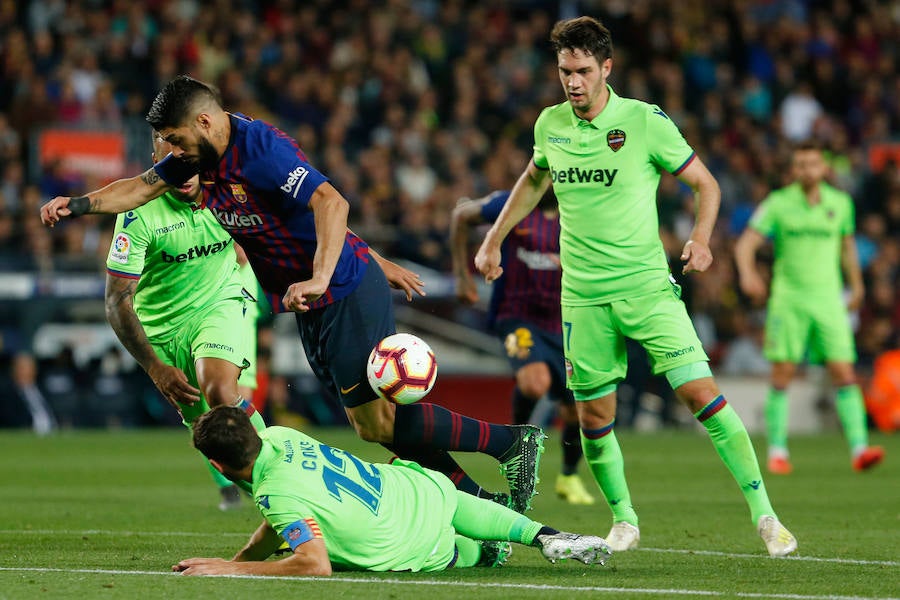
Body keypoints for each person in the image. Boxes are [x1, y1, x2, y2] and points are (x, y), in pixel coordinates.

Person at [41, 75, 543, 513]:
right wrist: (79, 205)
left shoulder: (260, 152)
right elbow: (139, 187)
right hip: (310, 301)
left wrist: (324, 275)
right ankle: (483, 497)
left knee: (376, 421)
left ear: (206, 123)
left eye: (176, 140)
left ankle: (510, 446)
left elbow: (331, 202)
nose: (172, 153)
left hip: (341, 289)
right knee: (376, 424)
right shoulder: (195, 157)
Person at [473, 16, 796, 557]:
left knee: (700, 394)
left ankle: (766, 515)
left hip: (647, 288)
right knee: (594, 417)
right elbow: (532, 181)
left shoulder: (644, 122)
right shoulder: (549, 124)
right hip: (582, 297)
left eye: (581, 71)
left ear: (606, 68)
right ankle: (624, 520)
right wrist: (491, 242)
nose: (572, 83)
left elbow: (705, 184)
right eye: (563, 72)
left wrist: (701, 238)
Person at [173, 406, 612, 576]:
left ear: (218, 466)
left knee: (457, 549)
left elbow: (314, 565)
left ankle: (485, 552)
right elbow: (275, 525)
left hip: (409, 546)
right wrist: (239, 557)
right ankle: (546, 535)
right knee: (443, 497)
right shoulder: (282, 435)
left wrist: (229, 571)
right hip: (414, 490)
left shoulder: (274, 493)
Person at [104, 132, 266, 510]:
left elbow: (296, 223)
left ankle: (296, 482)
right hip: (163, 331)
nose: (183, 172)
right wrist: (155, 367)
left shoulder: (228, 190)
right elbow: (116, 301)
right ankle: (271, 498)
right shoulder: (137, 215)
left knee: (222, 393)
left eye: (189, 162)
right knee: (209, 430)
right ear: (155, 164)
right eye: (170, 164)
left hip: (219, 303)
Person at [735, 141, 884, 474]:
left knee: (844, 371)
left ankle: (860, 450)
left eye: (813, 163)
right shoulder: (778, 203)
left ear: (823, 168)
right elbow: (746, 243)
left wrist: (857, 285)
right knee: (783, 373)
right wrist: (748, 274)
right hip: (789, 299)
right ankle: (777, 451)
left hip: (829, 298)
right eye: (801, 164)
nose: (807, 170)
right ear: (794, 170)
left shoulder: (840, 204)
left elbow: (846, 247)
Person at [451, 188, 594, 505]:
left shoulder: (579, 211)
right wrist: (462, 277)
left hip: (564, 323)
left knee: (577, 408)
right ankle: (514, 445)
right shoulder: (511, 202)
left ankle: (569, 477)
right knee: (535, 382)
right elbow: (460, 216)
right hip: (515, 319)